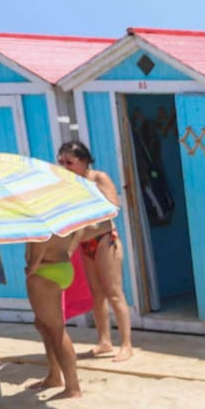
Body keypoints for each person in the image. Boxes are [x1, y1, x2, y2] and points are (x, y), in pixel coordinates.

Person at [55, 141, 133, 362]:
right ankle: (104, 340)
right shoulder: (69, 183)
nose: (65, 166)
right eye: (61, 162)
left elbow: (113, 208)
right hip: (85, 241)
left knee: (114, 293)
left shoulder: (98, 178)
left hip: (105, 240)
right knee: (96, 295)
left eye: (69, 162)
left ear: (84, 160)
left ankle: (126, 344)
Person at [24, 230, 84, 399]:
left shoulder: (40, 219)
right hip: (60, 266)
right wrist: (69, 252)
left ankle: (73, 387)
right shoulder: (59, 212)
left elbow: (41, 237)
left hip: (46, 270)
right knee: (43, 325)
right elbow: (80, 230)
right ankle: (54, 375)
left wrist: (33, 265)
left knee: (56, 330)